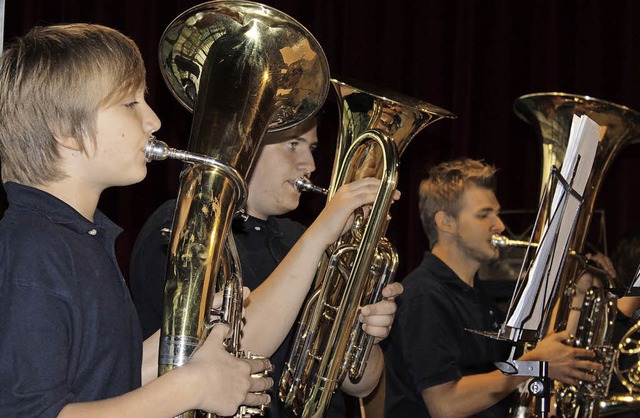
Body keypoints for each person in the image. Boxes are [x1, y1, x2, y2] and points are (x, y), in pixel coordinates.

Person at [0, 23, 279, 417]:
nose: (153, 120)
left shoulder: (81, 238)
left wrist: (189, 336)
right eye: (130, 104)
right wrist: (192, 387)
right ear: (66, 131)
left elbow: (104, 381)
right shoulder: (34, 249)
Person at [129, 116, 403, 417]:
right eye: (293, 145)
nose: (310, 164)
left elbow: (359, 385)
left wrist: (364, 335)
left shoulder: (296, 237)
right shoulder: (187, 225)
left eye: (311, 147)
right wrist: (318, 235)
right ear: (246, 146)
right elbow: (230, 349)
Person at [382, 158, 604, 418]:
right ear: (446, 223)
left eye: (495, 214)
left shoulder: (477, 294)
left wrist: (578, 295)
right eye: (484, 215)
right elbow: (445, 404)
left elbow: (500, 379)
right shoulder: (424, 295)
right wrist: (532, 366)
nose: (499, 225)